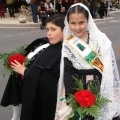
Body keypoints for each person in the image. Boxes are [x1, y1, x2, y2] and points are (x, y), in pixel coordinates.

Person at [56, 3, 120, 120]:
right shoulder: (68, 43)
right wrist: (72, 97)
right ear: (68, 23)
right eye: (73, 23)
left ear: (88, 20)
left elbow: (109, 67)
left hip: (99, 86)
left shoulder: (100, 39)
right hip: (77, 88)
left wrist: (106, 91)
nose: (77, 27)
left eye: (81, 22)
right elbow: (68, 71)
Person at [0, 14, 65, 120]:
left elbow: (47, 81)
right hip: (27, 80)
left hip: (41, 95)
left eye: (53, 29)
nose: (49, 33)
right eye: (47, 29)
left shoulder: (61, 52)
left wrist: (25, 71)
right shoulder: (46, 42)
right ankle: (16, 115)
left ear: (64, 30)